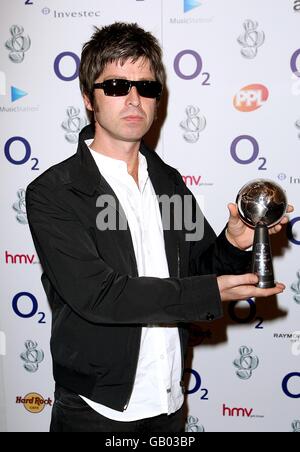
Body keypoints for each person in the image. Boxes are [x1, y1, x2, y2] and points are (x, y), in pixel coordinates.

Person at [26, 22, 292, 433]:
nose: (134, 99)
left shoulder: (167, 181)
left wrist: (233, 242)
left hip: (169, 404)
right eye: (116, 85)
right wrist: (208, 292)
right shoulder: (55, 192)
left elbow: (200, 266)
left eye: (147, 87)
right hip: (96, 411)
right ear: (88, 99)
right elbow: (99, 294)